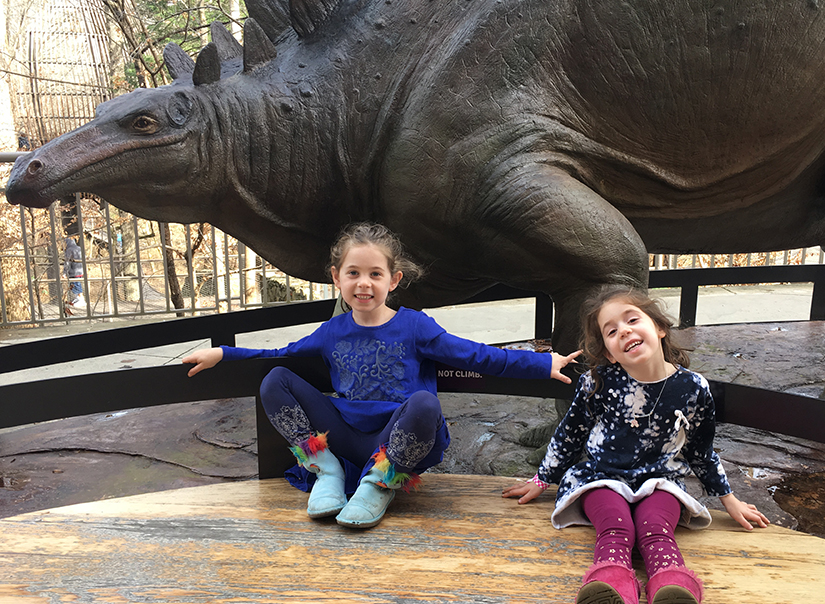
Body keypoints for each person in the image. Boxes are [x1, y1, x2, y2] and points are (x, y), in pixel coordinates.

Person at [184, 222, 580, 529]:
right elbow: (280, 354)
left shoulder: (415, 327)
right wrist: (223, 352)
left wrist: (543, 364)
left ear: (394, 280)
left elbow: (474, 355)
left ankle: (378, 484)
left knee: (425, 403)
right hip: (343, 436)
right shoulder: (331, 331)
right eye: (353, 273)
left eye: (375, 274)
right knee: (275, 380)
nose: (364, 283)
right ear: (337, 278)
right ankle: (326, 471)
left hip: (394, 441)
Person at [503, 284, 768, 604]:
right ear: (607, 352)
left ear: (659, 328)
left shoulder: (692, 387)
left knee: (655, 528)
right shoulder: (597, 383)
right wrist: (542, 479)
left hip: (661, 480)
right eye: (611, 331)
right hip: (600, 478)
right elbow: (570, 432)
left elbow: (700, 449)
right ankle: (610, 584)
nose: (624, 332)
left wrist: (728, 498)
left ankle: (673, 585)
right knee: (616, 528)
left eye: (632, 320)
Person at [63, 238, 84, 307]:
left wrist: (65, 272)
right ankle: (77, 298)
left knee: (76, 284)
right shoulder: (79, 248)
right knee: (76, 284)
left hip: (74, 271)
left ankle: (81, 299)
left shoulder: (69, 250)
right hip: (80, 269)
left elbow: (67, 262)